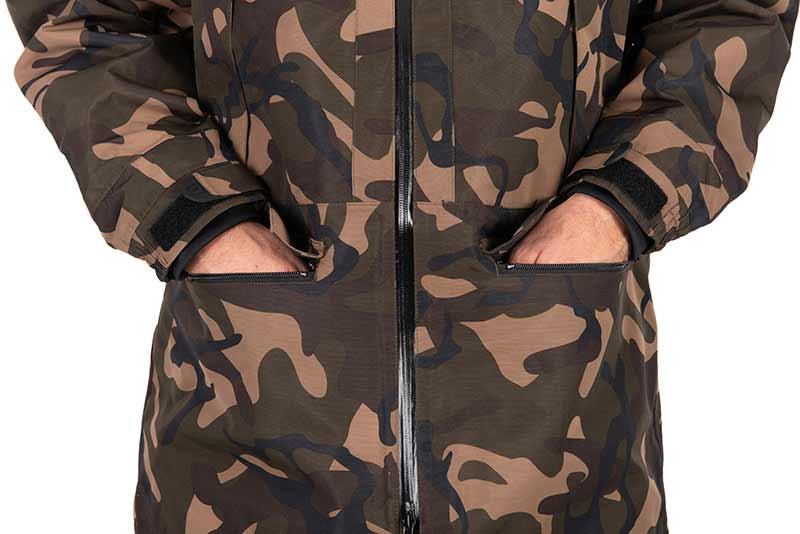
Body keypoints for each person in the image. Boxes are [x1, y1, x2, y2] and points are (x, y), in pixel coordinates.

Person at [7, 0, 796, 532]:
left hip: (566, 433)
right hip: (244, 437)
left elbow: (727, 13)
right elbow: (87, 23)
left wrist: (613, 208)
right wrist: (202, 224)